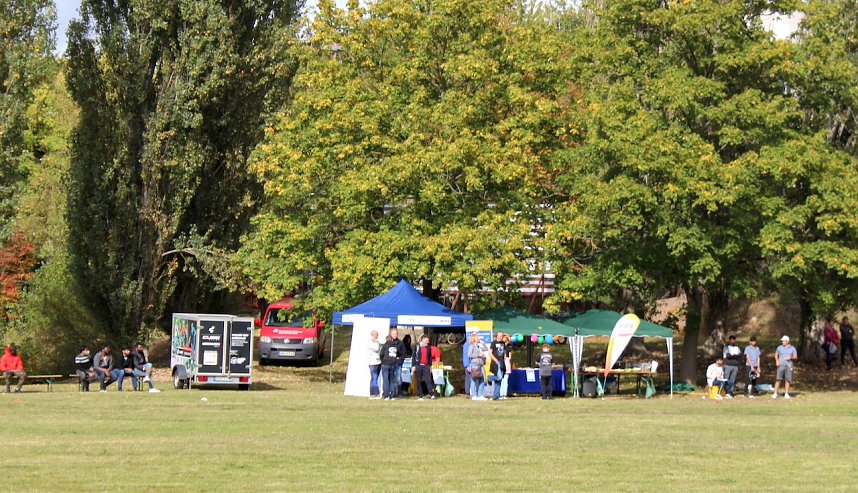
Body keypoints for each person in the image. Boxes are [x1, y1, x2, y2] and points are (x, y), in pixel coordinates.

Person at [411, 334, 437, 400]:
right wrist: (413, 366)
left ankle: (431, 394)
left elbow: (430, 357)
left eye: (428, 340)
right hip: (418, 366)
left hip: (426, 366)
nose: (427, 342)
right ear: (422, 340)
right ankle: (420, 395)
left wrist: (430, 366)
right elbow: (413, 357)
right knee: (418, 381)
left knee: (428, 381)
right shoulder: (417, 347)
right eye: (426, 340)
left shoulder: (428, 348)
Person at [773, 335, 798, 399]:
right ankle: (775, 393)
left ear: (787, 341)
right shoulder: (779, 347)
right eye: (782, 341)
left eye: (783, 341)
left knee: (788, 380)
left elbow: (795, 357)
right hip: (781, 365)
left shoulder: (792, 348)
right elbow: (776, 355)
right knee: (778, 379)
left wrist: (790, 357)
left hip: (789, 366)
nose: (782, 342)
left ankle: (786, 393)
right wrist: (777, 361)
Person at [380, 334, 404, 400]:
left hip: (385, 364)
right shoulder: (395, 346)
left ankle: (386, 395)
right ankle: (392, 395)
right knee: (391, 380)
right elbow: (399, 354)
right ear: (392, 339)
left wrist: (383, 360)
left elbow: (381, 354)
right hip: (393, 364)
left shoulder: (385, 345)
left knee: (386, 380)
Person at [468, 333, 488, 401]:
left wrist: (483, 343)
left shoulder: (479, 346)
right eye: (477, 337)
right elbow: (470, 355)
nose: (479, 338)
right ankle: (474, 395)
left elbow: (486, 349)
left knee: (483, 379)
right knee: (474, 379)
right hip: (475, 364)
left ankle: (480, 394)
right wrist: (478, 355)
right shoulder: (471, 346)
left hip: (481, 364)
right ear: (474, 338)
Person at [388, 329, 406, 397]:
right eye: (393, 334)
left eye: (395, 334)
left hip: (398, 364)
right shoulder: (388, 343)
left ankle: (399, 393)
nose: (394, 335)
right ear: (390, 334)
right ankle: (390, 393)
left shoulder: (401, 343)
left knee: (398, 379)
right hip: (390, 363)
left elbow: (403, 354)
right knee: (390, 378)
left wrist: (400, 362)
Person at [488, 332, 507, 401]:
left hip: (502, 362)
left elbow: (504, 352)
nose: (500, 337)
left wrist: (505, 358)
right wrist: (495, 360)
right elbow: (489, 353)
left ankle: (496, 396)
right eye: (499, 335)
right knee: (499, 377)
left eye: (501, 336)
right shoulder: (493, 343)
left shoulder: (503, 343)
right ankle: (489, 378)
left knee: (499, 381)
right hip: (496, 363)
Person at [368, 330, 382, 399]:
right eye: (376, 335)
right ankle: (376, 393)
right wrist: (376, 342)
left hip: (378, 362)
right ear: (372, 335)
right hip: (372, 363)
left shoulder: (377, 342)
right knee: (374, 377)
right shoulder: (369, 342)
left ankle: (372, 393)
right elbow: (376, 348)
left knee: (374, 378)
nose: (377, 336)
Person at [499, 334, 512, 399]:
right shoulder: (501, 347)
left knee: (504, 380)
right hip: (503, 363)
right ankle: (502, 394)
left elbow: (509, 357)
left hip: (506, 363)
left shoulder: (508, 348)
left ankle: (504, 394)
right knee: (502, 379)